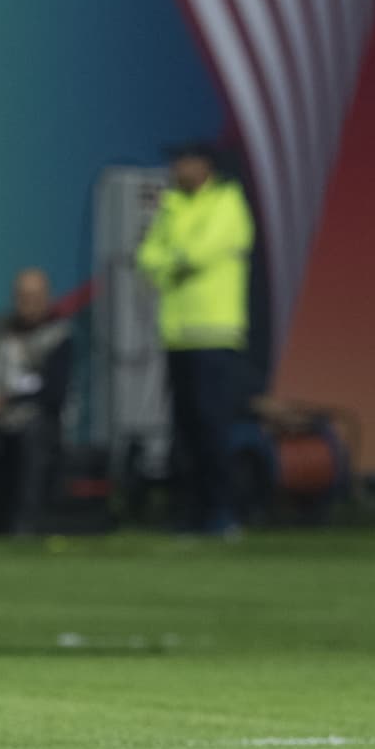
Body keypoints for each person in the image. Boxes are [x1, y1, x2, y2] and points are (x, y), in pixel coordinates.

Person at [137, 142, 254, 537]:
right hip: (177, 335)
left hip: (215, 333)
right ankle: (192, 511)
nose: (176, 169)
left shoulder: (227, 202)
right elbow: (146, 258)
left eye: (183, 162)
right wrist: (175, 259)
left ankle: (224, 511)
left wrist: (173, 258)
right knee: (184, 429)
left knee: (212, 426)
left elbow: (199, 254)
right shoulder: (171, 206)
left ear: (203, 165)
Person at [0, 268, 72, 534]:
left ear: (46, 298)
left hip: (36, 417)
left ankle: (26, 523)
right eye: (22, 296)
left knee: (33, 434)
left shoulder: (58, 337)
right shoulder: (0, 333)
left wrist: (7, 400)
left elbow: (53, 393)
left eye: (34, 296)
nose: (27, 303)